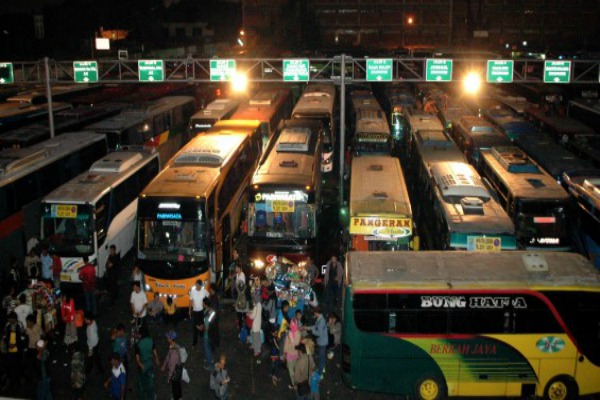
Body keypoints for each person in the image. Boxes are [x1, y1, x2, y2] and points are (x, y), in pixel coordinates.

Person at [135, 324, 159, 399]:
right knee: (150, 382)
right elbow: (154, 350)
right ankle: (151, 397)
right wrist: (157, 358)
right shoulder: (151, 340)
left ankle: (141, 397)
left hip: (143, 365)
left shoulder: (138, 344)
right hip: (150, 363)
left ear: (141, 334)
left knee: (141, 383)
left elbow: (137, 358)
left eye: (139, 333)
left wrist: (140, 364)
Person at [3, 311, 25, 387]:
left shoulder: (20, 325)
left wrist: (15, 344)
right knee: (9, 366)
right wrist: (7, 344)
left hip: (18, 350)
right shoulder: (8, 326)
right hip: (9, 350)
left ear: (14, 319)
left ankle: (19, 381)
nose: (9, 321)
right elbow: (5, 336)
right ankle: (10, 381)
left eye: (10, 319)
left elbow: (22, 338)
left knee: (18, 365)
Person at [161, 330, 182, 400]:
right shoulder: (176, 346)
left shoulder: (173, 353)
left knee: (175, 387)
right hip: (179, 370)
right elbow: (168, 356)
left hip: (174, 373)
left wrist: (169, 377)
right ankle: (180, 397)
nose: (167, 339)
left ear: (171, 339)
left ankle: (176, 398)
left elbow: (172, 367)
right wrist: (164, 365)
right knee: (178, 385)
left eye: (167, 338)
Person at [189, 279, 208, 347]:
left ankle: (202, 336)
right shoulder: (193, 291)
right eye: (196, 285)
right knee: (195, 326)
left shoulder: (203, 290)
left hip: (201, 311)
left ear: (201, 285)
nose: (198, 287)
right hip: (195, 311)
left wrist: (206, 304)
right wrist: (189, 310)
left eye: (199, 286)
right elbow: (190, 301)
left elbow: (208, 296)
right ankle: (195, 341)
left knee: (202, 324)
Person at [283, 318, 302, 389]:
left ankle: (295, 384)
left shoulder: (290, 333)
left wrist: (284, 352)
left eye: (293, 325)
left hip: (290, 354)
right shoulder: (298, 333)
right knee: (294, 368)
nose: (292, 326)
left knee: (291, 371)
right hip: (296, 354)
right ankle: (297, 382)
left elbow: (291, 344)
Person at [310, 306, 328, 376]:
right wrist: (307, 328)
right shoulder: (320, 318)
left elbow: (318, 333)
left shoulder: (321, 321)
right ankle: (322, 368)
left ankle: (320, 373)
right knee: (322, 356)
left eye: (314, 313)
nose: (314, 314)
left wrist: (312, 331)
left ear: (317, 313)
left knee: (321, 357)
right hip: (322, 341)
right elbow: (315, 327)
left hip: (322, 342)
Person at [200, 297, 217, 370]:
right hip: (212, 333)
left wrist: (201, 328)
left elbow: (206, 327)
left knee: (206, 349)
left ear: (205, 304)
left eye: (202, 303)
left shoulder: (206, 313)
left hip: (207, 335)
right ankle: (211, 359)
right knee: (209, 347)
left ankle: (210, 365)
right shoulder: (211, 311)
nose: (202, 304)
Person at [248, 295, 262, 363]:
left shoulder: (256, 306)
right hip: (258, 324)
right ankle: (255, 346)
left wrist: (248, 314)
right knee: (257, 336)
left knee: (255, 337)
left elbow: (252, 316)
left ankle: (257, 350)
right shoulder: (259, 305)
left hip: (255, 324)